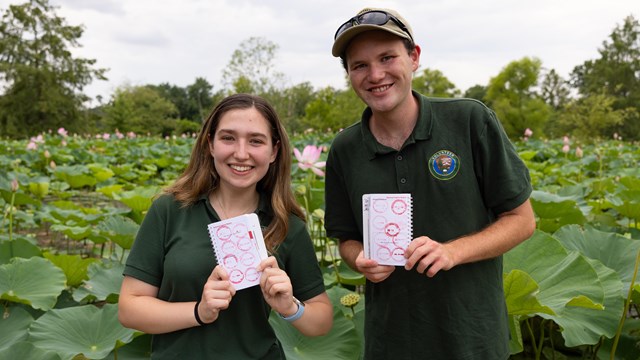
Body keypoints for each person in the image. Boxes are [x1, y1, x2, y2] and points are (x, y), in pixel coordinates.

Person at [324, 7, 536, 360]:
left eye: (387, 57)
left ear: (414, 57)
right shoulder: (345, 150)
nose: (375, 74)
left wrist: (452, 252)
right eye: (359, 65)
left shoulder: (470, 120)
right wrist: (358, 258)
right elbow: (346, 238)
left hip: (472, 338)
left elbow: (522, 220)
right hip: (389, 341)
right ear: (349, 74)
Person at [118, 93, 333, 359]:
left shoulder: (287, 224)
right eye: (228, 138)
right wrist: (199, 311)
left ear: (274, 151)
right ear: (210, 144)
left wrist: (290, 307)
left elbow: (321, 321)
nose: (241, 154)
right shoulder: (169, 210)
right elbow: (129, 308)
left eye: (256, 141)